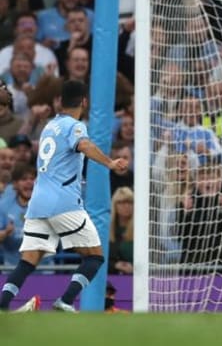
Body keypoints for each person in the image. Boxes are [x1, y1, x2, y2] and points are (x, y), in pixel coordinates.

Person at [0, 80, 128, 312]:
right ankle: (65, 300)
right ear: (84, 102)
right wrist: (109, 162)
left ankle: (2, 305)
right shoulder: (74, 126)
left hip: (38, 203)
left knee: (28, 260)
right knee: (95, 257)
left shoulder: (50, 126)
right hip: (64, 203)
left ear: (60, 101)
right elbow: (85, 145)